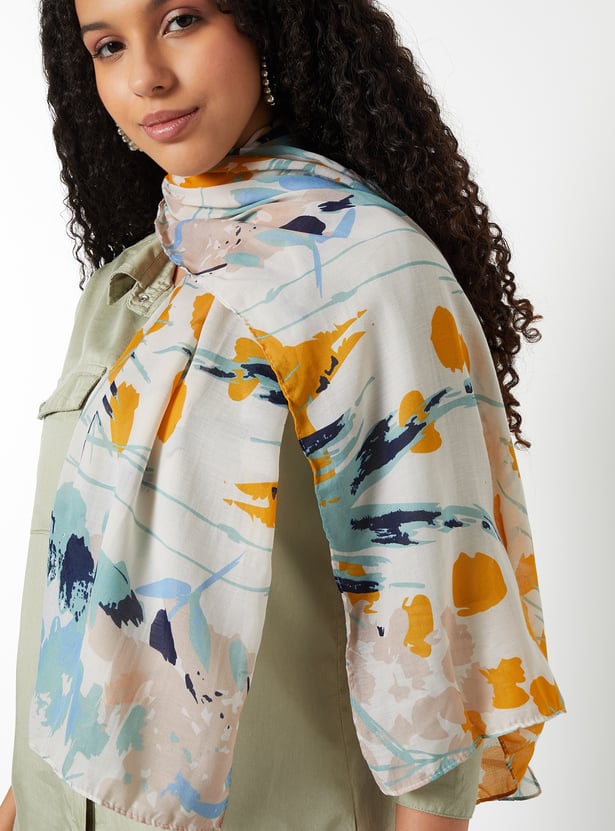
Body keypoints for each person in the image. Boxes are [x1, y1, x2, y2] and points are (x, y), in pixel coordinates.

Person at [5, 1, 565, 829]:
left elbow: (432, 636)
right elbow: (69, 590)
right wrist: (25, 798)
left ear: (266, 22)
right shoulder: (130, 286)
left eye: (182, 20)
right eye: (108, 45)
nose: (145, 75)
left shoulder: (366, 274)